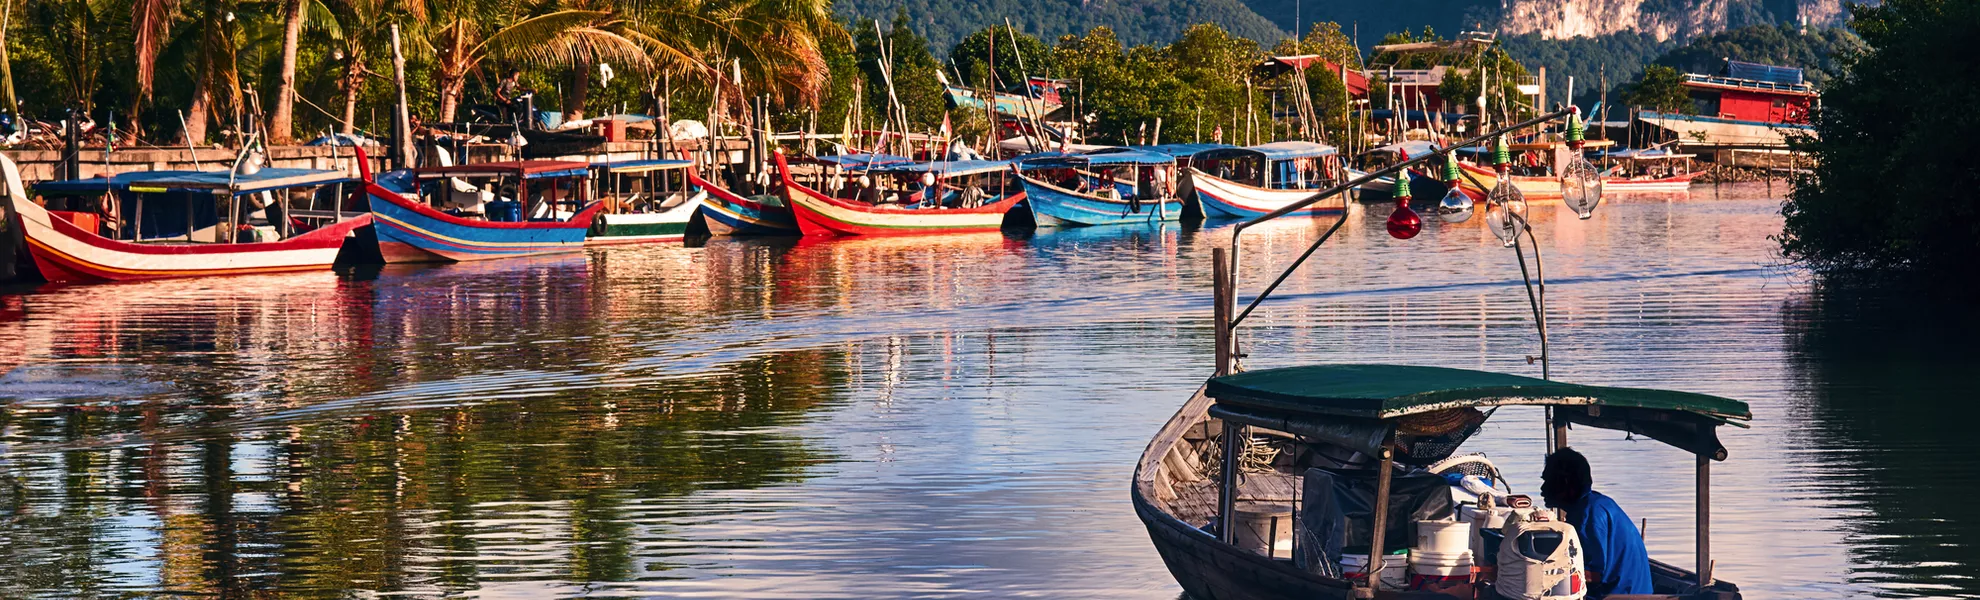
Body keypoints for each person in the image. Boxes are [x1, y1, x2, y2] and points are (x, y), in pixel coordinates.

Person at [1540, 448, 1652, 598]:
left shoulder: (1589, 514)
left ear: (1566, 483)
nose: (1542, 489)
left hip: (1620, 596)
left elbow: (1593, 575)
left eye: (1548, 481)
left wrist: (1539, 573)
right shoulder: (1597, 504)